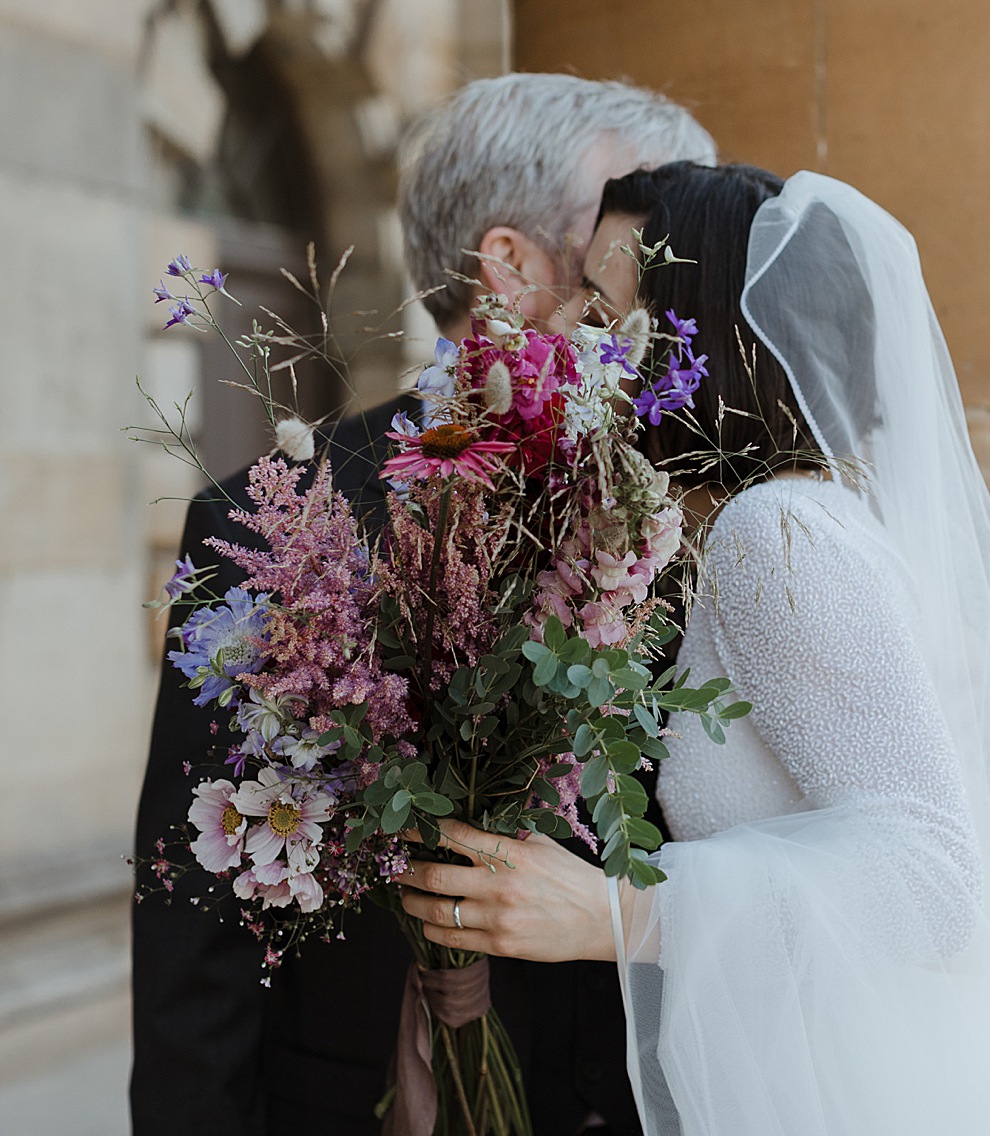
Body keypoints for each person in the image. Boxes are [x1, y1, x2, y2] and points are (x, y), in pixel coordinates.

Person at [398, 163, 990, 1135]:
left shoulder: (777, 535)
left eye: (604, 302)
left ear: (698, 334)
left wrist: (618, 911)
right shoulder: (748, 529)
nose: (575, 330)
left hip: (873, 1083)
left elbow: (929, 877)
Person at [130, 75, 714, 1136]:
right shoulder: (263, 528)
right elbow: (195, 953)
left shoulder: (694, 510)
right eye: (643, 227)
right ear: (512, 266)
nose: (676, 267)